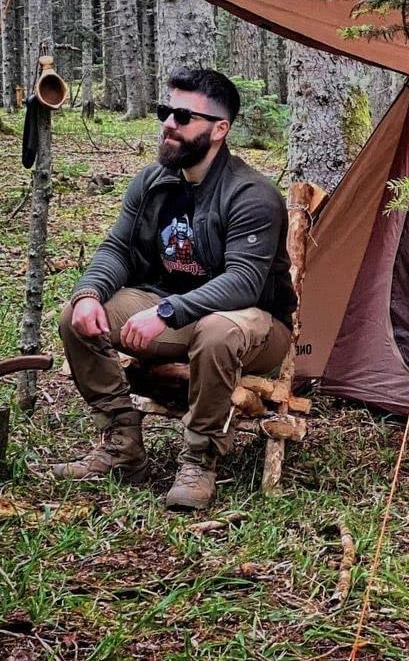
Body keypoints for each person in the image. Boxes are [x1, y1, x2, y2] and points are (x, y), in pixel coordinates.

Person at [52, 67, 297, 510]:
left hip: (255, 323)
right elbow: (118, 249)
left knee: (218, 331)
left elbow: (243, 282)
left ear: (220, 129)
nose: (168, 123)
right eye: (166, 111)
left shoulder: (251, 194)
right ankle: (122, 445)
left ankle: (200, 460)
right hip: (176, 308)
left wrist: (166, 313)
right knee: (77, 316)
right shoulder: (153, 182)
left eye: (183, 116)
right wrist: (89, 293)